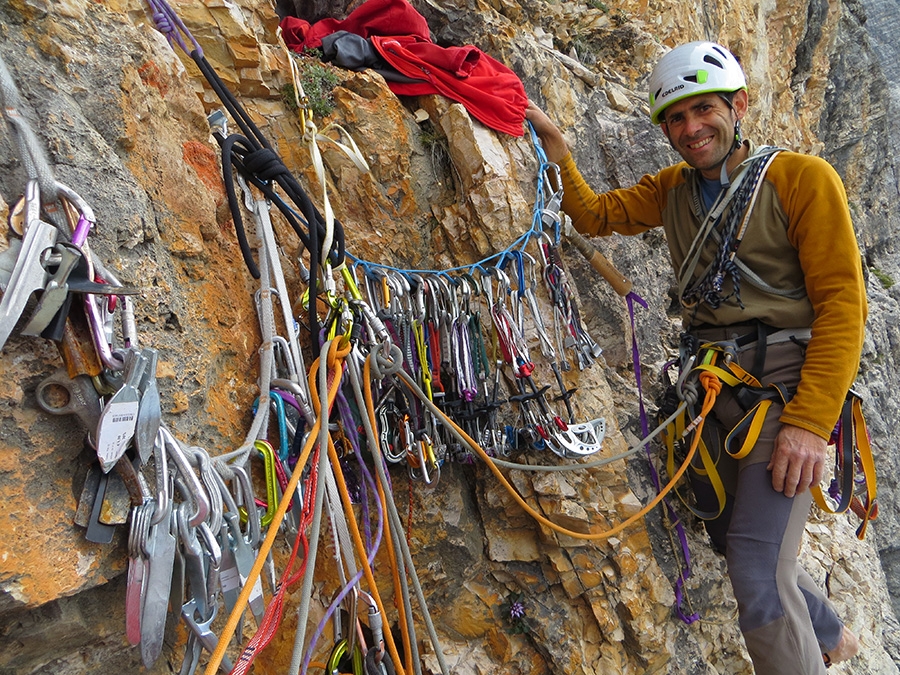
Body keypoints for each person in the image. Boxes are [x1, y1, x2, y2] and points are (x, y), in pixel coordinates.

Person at [526, 41, 865, 674]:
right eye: (676, 119)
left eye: (704, 110)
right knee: (721, 526)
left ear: (738, 106)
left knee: (758, 571)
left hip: (787, 387)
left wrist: (811, 423)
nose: (691, 129)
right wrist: (558, 151)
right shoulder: (673, 190)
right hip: (716, 387)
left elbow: (843, 305)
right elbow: (596, 215)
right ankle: (829, 635)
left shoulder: (800, 180)